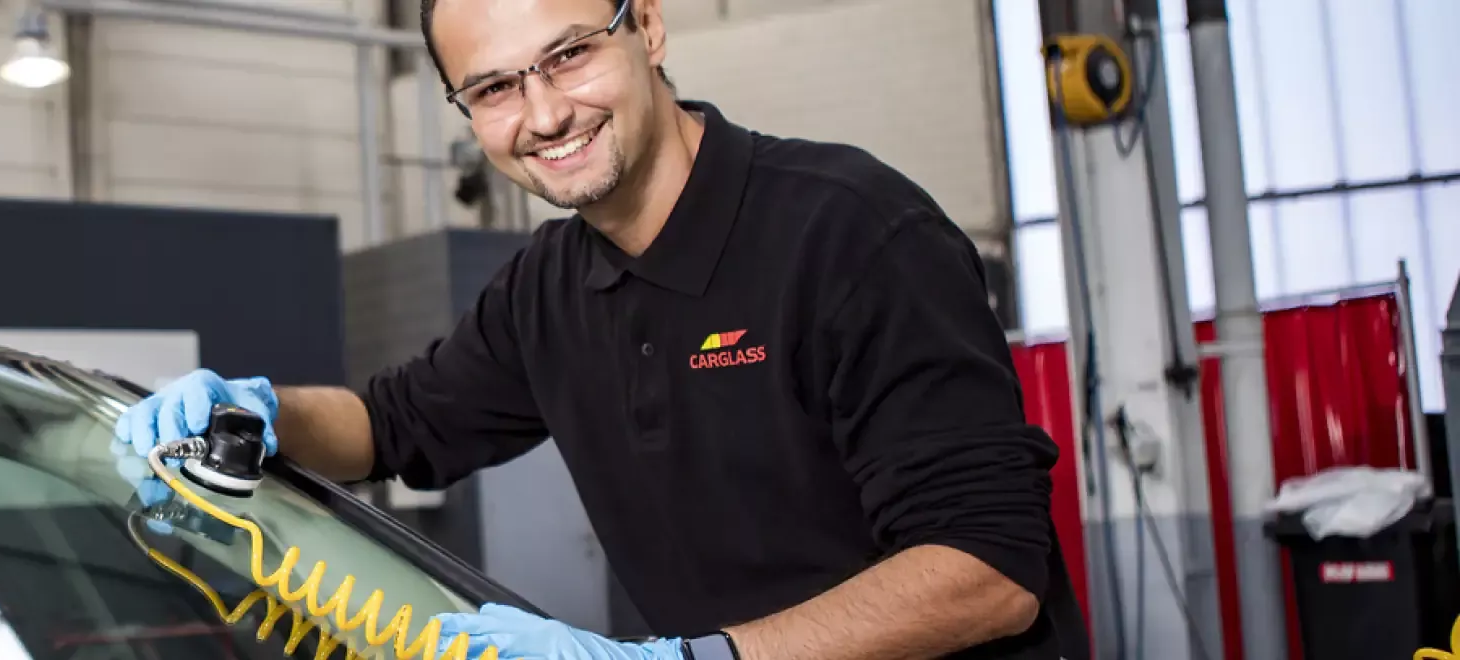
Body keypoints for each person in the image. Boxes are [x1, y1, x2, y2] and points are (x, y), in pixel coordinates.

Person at [110, 0, 1091, 658]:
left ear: (649, 28)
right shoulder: (546, 287)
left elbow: (989, 571)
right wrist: (263, 409)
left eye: (569, 53)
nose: (543, 113)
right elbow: (393, 424)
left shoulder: (853, 233)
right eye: (494, 88)